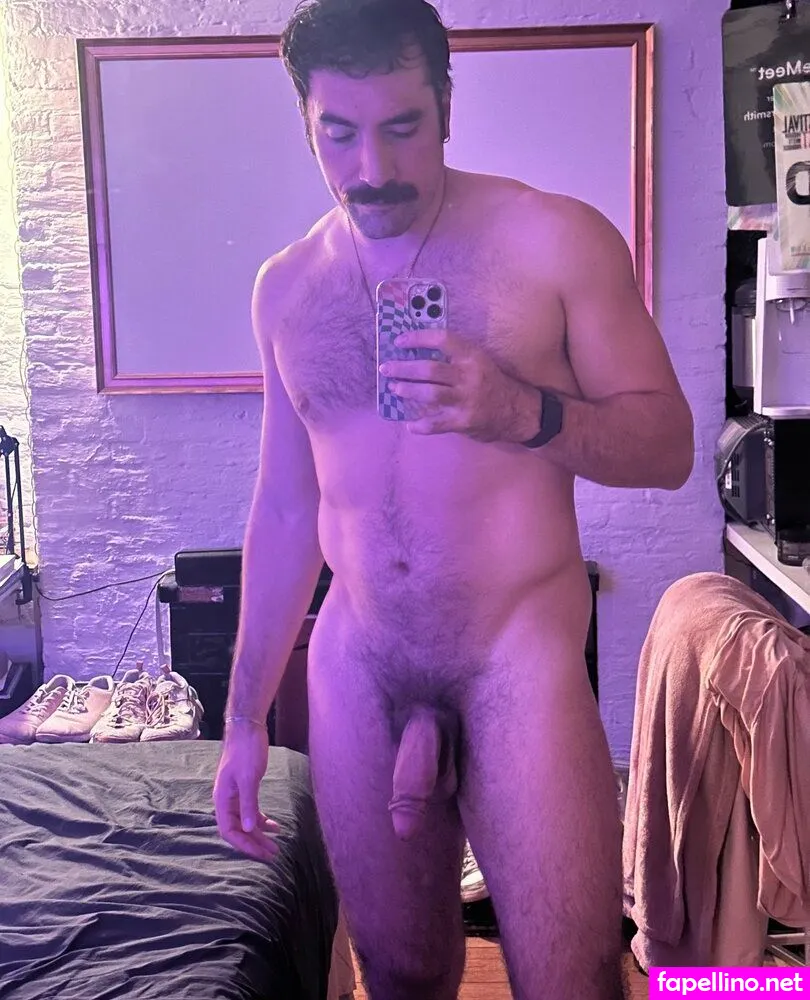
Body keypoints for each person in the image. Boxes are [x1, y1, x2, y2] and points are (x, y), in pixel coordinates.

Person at [212, 0, 695, 997]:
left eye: (403, 126)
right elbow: (288, 509)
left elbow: (668, 447)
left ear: (446, 107)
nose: (373, 167)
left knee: (574, 980)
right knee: (397, 974)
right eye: (339, 134)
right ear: (307, 121)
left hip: (513, 659)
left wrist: (520, 410)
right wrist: (245, 715)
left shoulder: (555, 240)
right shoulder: (286, 289)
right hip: (360, 664)